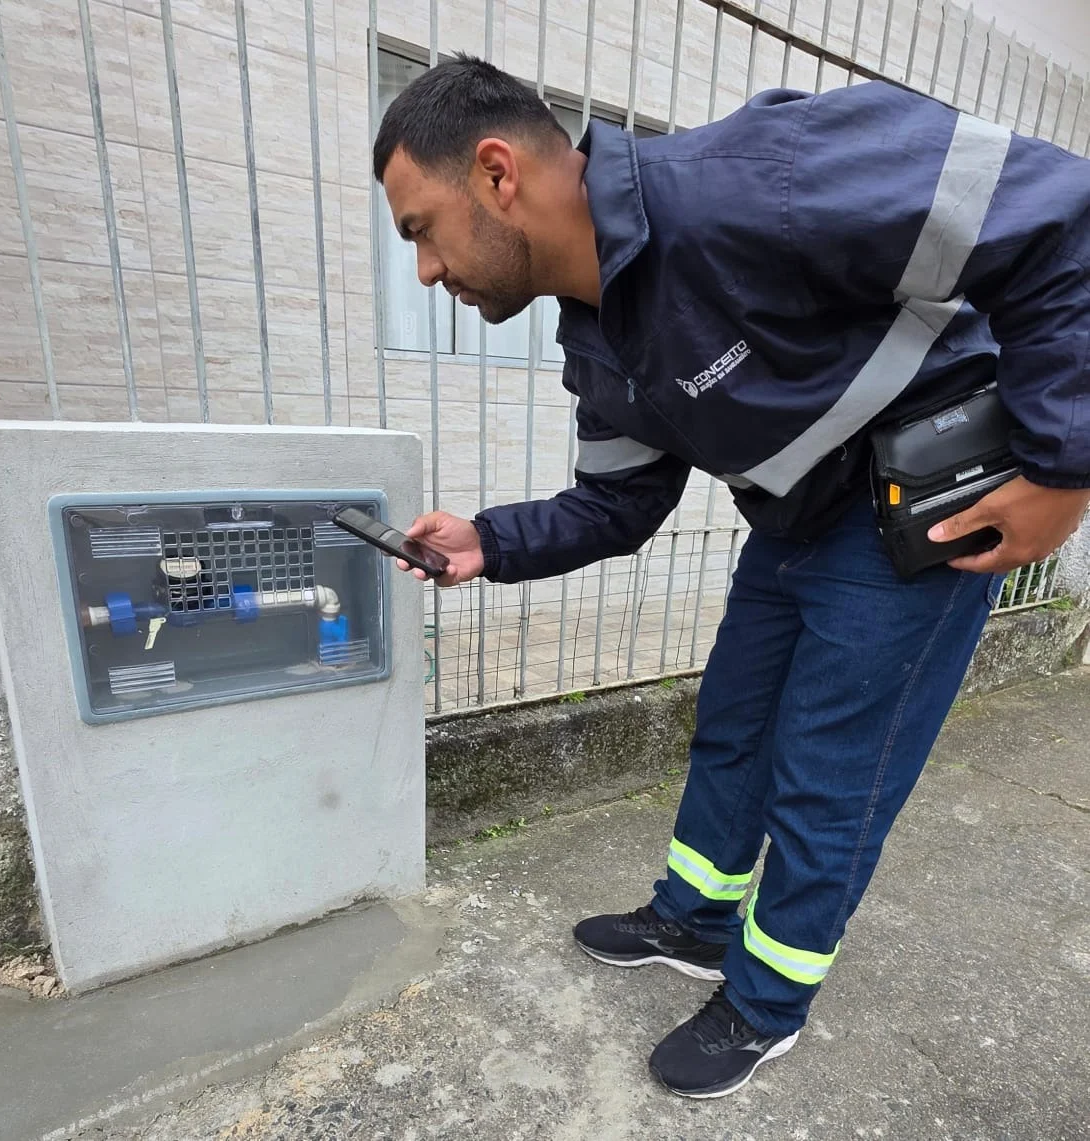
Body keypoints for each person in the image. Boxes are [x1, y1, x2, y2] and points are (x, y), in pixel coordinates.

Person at [373, 55, 1090, 1099]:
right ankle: (697, 919)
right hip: (796, 519)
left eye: (419, 230)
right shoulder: (599, 342)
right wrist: (489, 539)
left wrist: (1064, 468)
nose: (427, 269)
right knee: (735, 725)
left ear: (495, 174)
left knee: (827, 774)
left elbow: (1063, 215)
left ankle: (765, 1001)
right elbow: (620, 504)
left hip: (914, 514)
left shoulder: (762, 178)